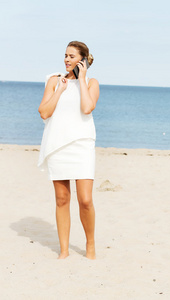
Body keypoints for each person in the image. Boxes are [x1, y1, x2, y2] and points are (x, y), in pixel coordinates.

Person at [37, 41, 100, 259]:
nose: (66, 59)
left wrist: (81, 80)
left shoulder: (92, 83)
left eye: (72, 56)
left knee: (85, 200)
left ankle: (90, 245)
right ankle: (64, 250)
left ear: (82, 60)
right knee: (62, 199)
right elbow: (44, 113)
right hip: (58, 145)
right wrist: (60, 89)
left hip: (81, 145)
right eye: (65, 55)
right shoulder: (54, 81)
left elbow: (86, 107)